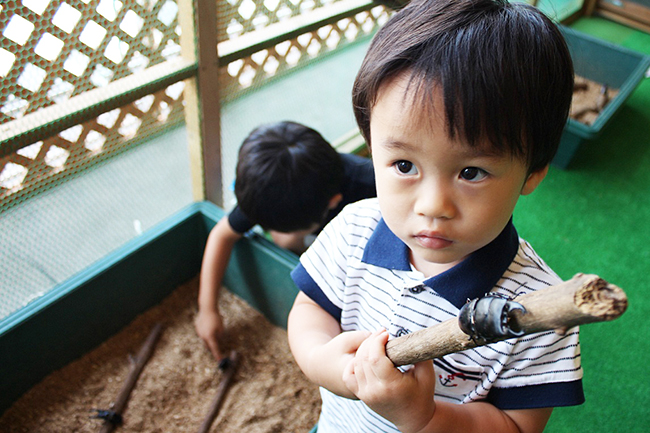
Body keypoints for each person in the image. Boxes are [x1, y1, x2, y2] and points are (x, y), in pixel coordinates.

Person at [287, 1, 583, 432]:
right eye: (404, 165)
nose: (432, 206)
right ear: (372, 146)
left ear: (532, 173)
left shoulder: (535, 310)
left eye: (471, 172)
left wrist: (422, 417)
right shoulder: (354, 230)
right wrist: (322, 363)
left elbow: (517, 426)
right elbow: (310, 308)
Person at [196, 121, 376, 360]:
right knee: (284, 242)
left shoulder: (373, 188)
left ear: (333, 202)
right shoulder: (272, 188)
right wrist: (207, 309)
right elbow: (221, 235)